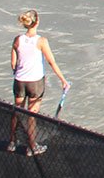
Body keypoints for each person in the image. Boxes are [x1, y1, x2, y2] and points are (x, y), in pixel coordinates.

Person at [7, 10, 69, 155]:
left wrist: (18, 73)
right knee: (31, 115)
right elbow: (51, 61)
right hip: (35, 83)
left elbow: (13, 62)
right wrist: (63, 80)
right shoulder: (41, 41)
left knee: (17, 111)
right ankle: (32, 146)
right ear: (37, 22)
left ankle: (11, 142)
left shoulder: (17, 39)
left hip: (19, 81)